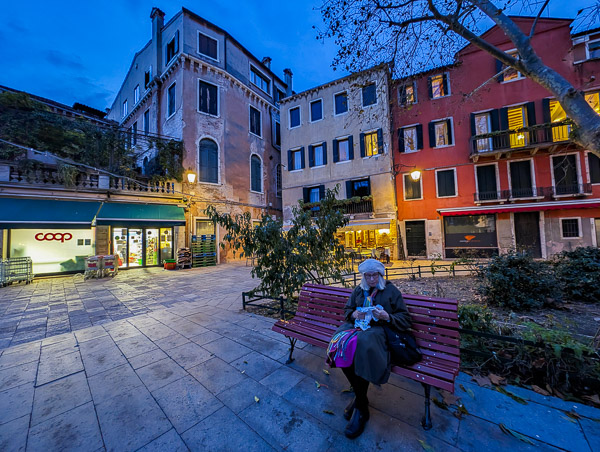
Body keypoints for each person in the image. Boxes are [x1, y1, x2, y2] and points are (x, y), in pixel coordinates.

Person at [327, 258, 411, 439]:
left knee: (362, 346)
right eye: (368, 275)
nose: (372, 279)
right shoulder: (359, 290)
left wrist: (387, 316)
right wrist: (354, 313)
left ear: (381, 275)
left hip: (379, 332)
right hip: (357, 328)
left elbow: (405, 318)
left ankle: (361, 408)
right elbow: (347, 310)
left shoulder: (390, 291)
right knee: (339, 343)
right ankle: (361, 399)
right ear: (363, 276)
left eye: (375, 275)